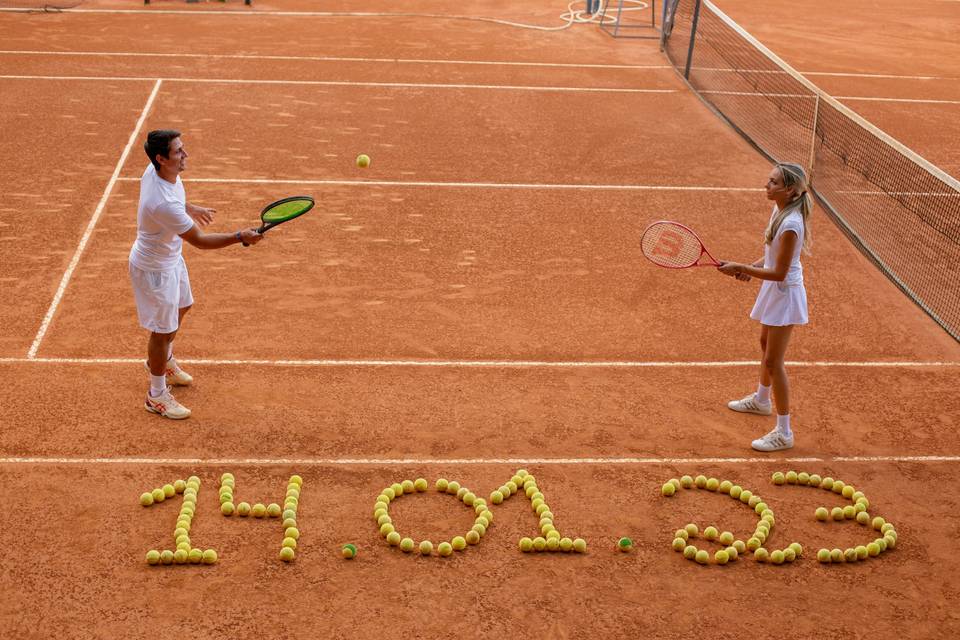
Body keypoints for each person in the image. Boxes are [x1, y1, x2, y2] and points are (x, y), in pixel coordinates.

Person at [129, 129, 263, 420]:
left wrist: (189, 207)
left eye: (182, 148)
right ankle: (156, 395)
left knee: (183, 307)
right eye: (178, 152)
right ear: (161, 158)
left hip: (171, 258)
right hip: (155, 268)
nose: (185, 155)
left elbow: (173, 202)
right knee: (162, 330)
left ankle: (163, 360)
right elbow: (201, 241)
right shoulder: (162, 203)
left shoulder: (156, 174)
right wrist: (240, 236)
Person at [718, 162, 812, 452]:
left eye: (773, 182)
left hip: (785, 293)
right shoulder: (779, 209)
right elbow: (771, 260)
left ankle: (784, 432)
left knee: (774, 361)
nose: (766, 185)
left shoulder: (792, 225)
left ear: (790, 190)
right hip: (775, 287)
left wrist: (742, 267)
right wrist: (751, 267)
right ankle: (761, 400)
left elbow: (780, 272)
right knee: (764, 343)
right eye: (768, 180)